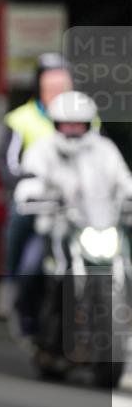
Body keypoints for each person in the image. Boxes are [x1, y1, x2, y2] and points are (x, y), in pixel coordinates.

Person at [13, 91, 132, 336]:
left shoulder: (104, 149)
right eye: (67, 123)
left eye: (78, 124)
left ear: (88, 124)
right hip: (55, 228)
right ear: (56, 124)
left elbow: (124, 178)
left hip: (99, 226)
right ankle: (30, 325)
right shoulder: (41, 150)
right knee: (30, 269)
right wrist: (32, 194)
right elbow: (29, 180)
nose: (72, 129)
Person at [0, 53, 74, 316]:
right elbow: (8, 165)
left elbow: (104, 156)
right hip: (37, 203)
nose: (57, 93)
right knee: (18, 220)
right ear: (39, 87)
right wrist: (29, 183)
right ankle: (10, 281)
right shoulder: (20, 119)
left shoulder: (85, 118)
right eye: (51, 87)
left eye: (63, 86)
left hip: (78, 204)